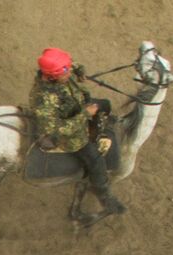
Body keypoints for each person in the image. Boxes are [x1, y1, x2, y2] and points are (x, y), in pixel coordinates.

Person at [31, 47, 125, 216]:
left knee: (106, 104)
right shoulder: (43, 100)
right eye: (65, 73)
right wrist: (85, 115)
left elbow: (72, 65)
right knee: (96, 161)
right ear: (53, 76)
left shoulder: (62, 69)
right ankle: (104, 197)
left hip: (78, 105)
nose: (69, 73)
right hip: (70, 134)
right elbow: (56, 129)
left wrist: (80, 71)